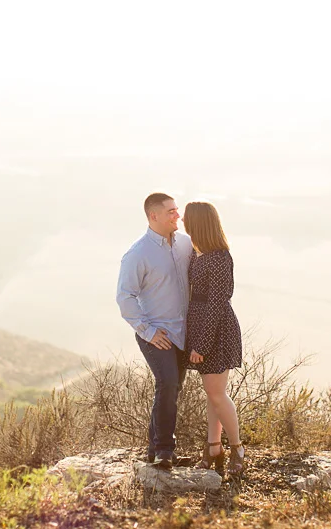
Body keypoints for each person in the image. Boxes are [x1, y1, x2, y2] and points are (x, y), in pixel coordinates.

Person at [116, 192, 194, 469]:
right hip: (156, 335)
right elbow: (125, 297)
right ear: (154, 216)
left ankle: (156, 449)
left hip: (183, 333)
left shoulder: (185, 244)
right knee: (168, 383)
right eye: (171, 211)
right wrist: (147, 331)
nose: (178, 215)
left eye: (177, 209)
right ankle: (163, 450)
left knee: (173, 388)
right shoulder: (138, 254)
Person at [182, 201, 245, 475]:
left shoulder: (220, 257)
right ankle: (213, 447)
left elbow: (217, 304)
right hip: (201, 329)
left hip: (217, 332)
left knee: (217, 394)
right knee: (212, 394)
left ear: (199, 223)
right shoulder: (198, 254)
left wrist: (202, 344)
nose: (183, 221)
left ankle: (238, 448)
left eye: (187, 219)